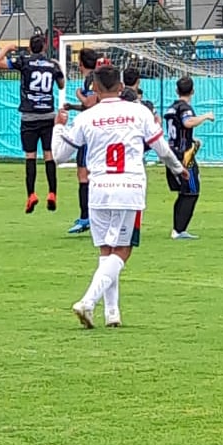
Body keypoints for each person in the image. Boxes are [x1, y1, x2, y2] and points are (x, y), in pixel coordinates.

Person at [52, 64, 188, 328]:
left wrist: (58, 127)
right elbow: (161, 149)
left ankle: (112, 314)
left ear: (95, 88)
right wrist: (178, 168)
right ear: (122, 86)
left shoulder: (87, 117)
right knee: (123, 251)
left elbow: (58, 156)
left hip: (98, 189)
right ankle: (87, 301)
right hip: (129, 188)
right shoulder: (139, 112)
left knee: (106, 251)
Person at [0, 33, 65, 213]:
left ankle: (31, 194)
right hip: (48, 115)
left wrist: (6, 49)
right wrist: (59, 67)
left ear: (30, 48)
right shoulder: (52, 64)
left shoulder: (24, 61)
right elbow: (62, 85)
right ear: (44, 48)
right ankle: (52, 193)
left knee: (30, 156)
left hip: (29, 116)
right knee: (49, 155)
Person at [164, 76, 215, 241]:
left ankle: (178, 229)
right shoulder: (185, 108)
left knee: (184, 192)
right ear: (192, 91)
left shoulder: (171, 108)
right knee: (192, 191)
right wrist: (205, 116)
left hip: (172, 152)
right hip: (184, 155)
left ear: (176, 90)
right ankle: (178, 230)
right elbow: (187, 122)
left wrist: (192, 141)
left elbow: (178, 130)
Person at [65, 47, 99, 235]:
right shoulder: (95, 78)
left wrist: (78, 94)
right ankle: (89, 216)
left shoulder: (91, 79)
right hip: (95, 130)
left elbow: (91, 103)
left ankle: (86, 218)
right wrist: (73, 106)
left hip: (90, 134)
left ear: (80, 64)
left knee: (84, 175)